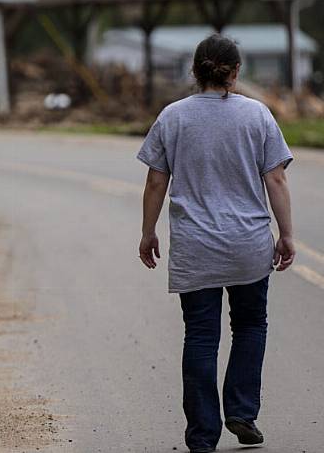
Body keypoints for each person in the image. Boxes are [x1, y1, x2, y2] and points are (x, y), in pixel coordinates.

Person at [136, 34, 295, 453]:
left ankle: (203, 435)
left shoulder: (173, 116)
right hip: (248, 245)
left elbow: (156, 179)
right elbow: (275, 178)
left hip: (196, 247)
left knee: (201, 336)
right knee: (249, 325)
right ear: (236, 72)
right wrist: (287, 234)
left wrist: (148, 230)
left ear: (195, 70)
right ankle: (242, 411)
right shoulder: (257, 116)